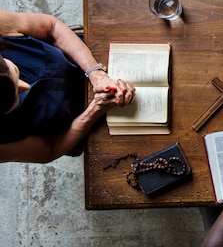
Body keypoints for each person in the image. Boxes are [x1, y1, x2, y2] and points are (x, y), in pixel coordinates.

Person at [0, 10, 135, 163]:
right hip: (88, 125)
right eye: (16, 98)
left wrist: (96, 74)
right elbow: (50, 149)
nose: (26, 86)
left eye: (17, 73)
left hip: (87, 54)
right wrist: (95, 109)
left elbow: (52, 28)